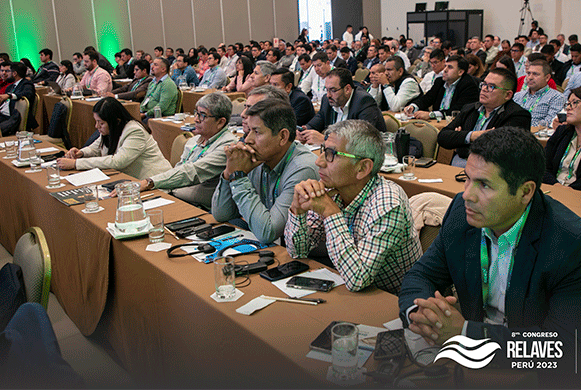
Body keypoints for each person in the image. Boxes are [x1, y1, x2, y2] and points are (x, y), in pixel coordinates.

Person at [398, 126, 581, 386]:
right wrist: (419, 313)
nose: (467, 194)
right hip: (476, 365)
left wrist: (465, 334)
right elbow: (421, 275)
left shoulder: (571, 243)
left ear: (525, 192)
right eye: (467, 178)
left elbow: (561, 347)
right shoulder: (461, 212)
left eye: (485, 185)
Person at [286, 120, 422, 294]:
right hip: (350, 287)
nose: (319, 162)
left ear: (363, 168)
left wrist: (330, 213)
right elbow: (298, 252)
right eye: (323, 151)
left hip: (394, 301)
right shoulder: (331, 188)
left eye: (331, 154)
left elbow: (357, 279)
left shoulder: (387, 203)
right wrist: (297, 211)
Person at [212, 99, 319, 244]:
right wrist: (229, 172)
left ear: (282, 137)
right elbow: (221, 214)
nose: (248, 140)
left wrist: (239, 178)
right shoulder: (255, 157)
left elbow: (268, 233)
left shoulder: (302, 168)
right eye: (249, 131)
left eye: (256, 132)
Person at [140, 93, 237, 209]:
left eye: (202, 116)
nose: (196, 119)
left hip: (199, 207)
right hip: (174, 196)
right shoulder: (195, 140)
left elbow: (192, 172)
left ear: (220, 122)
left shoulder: (228, 146)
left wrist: (150, 182)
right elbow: (180, 169)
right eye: (196, 113)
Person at [437, 68, 531, 168]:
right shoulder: (470, 109)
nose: (484, 89)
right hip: (458, 165)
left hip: (490, 171)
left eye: (491, 87)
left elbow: (501, 152)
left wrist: (460, 141)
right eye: (484, 84)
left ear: (508, 95)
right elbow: (442, 137)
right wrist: (471, 136)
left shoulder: (518, 115)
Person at [58, 97, 171, 179]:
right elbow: (95, 148)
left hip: (154, 180)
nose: (96, 126)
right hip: (130, 180)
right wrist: (80, 153)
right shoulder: (112, 129)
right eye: (96, 122)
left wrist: (76, 164)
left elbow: (118, 162)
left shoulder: (135, 131)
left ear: (116, 121)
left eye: (100, 123)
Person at [302, 68, 385, 144]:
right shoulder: (327, 100)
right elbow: (318, 120)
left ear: (347, 89)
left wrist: (326, 139)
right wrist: (304, 131)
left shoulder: (364, 102)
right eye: (326, 90)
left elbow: (362, 139)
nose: (328, 95)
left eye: (333, 90)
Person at [404, 55, 480, 121]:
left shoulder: (469, 85)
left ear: (460, 72)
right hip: (437, 123)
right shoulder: (440, 81)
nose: (445, 70)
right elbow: (427, 98)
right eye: (445, 66)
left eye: (450, 67)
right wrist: (413, 106)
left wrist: (431, 114)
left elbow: (458, 110)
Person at [0, 62, 37, 135]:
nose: (6, 74)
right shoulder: (10, 87)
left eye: (8, 71)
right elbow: (2, 105)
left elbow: (27, 94)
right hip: (0, 115)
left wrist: (10, 96)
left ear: (14, 73)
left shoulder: (26, 84)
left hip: (11, 118)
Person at [513, 60, 565, 127]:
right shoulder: (517, 96)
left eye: (535, 74)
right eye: (528, 73)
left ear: (547, 78)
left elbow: (549, 123)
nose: (530, 78)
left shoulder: (556, 97)